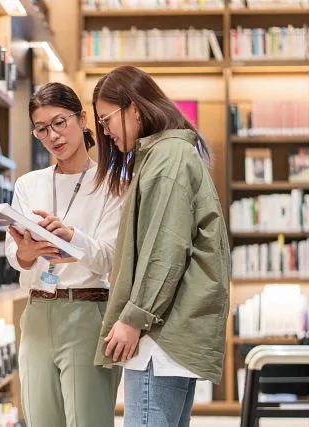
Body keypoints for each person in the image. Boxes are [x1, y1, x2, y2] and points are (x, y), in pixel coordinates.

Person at [91, 65, 231, 427]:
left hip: (158, 336)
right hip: (170, 330)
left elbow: (165, 248)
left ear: (134, 108)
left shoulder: (167, 157)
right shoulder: (169, 154)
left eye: (107, 120)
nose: (104, 132)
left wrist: (134, 317)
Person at [4, 82, 123, 427]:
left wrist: (72, 237)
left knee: (89, 420)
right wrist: (26, 252)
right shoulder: (29, 184)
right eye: (42, 129)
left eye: (60, 122)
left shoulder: (112, 183)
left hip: (88, 311)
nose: (53, 135)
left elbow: (109, 259)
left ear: (82, 119)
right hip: (38, 311)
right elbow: (15, 255)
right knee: (40, 419)